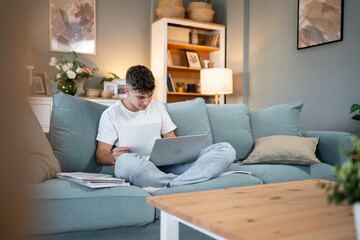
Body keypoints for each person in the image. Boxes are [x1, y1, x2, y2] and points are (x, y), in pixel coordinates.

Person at [96, 65, 236, 189]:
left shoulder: (157, 107)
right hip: (138, 166)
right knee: (126, 163)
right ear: (127, 91)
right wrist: (113, 158)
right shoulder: (111, 114)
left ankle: (170, 184)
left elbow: (171, 140)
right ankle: (186, 181)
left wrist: (181, 154)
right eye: (140, 97)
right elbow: (101, 154)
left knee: (226, 150)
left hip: (167, 166)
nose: (146, 102)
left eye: (150, 96)